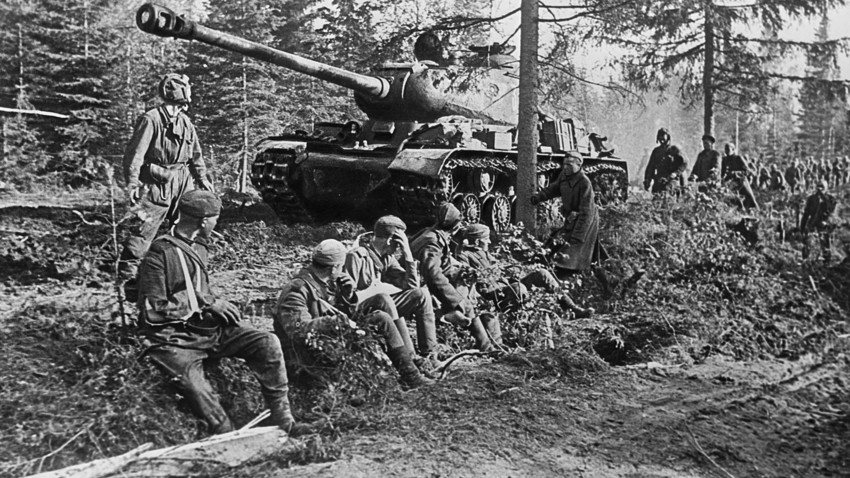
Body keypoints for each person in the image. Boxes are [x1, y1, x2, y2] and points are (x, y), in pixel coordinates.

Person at [136, 190, 310, 436]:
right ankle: (226, 437)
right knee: (198, 389)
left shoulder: (199, 246)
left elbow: (199, 291)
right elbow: (153, 308)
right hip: (173, 339)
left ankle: (284, 421)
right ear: (204, 221)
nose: (216, 223)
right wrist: (206, 304)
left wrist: (210, 303)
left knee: (267, 342)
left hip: (207, 330)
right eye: (215, 218)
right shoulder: (159, 253)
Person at [273, 239, 431, 389]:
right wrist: (333, 321)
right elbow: (297, 331)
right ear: (334, 267)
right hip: (306, 355)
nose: (342, 270)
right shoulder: (297, 290)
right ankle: (404, 375)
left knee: (381, 318)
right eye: (341, 266)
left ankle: (410, 374)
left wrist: (348, 296)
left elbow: (336, 311)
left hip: (328, 340)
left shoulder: (326, 282)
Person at [120, 73, 213, 282]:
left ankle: (186, 277)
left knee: (192, 229)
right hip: (157, 183)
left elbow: (195, 153)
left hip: (183, 183)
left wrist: (202, 178)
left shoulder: (185, 122)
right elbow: (135, 155)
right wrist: (133, 183)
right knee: (141, 235)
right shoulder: (151, 119)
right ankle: (127, 282)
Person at [343, 215, 439, 367]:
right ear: (389, 241)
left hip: (383, 307)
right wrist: (373, 290)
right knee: (383, 297)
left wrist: (408, 254)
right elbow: (347, 298)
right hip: (360, 310)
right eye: (398, 244)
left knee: (421, 294)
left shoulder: (387, 258)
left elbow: (412, 286)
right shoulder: (356, 256)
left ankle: (430, 355)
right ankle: (410, 357)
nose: (397, 249)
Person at [410, 203, 502, 352]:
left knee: (466, 289)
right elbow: (432, 274)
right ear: (454, 227)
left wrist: (460, 268)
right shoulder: (432, 242)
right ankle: (484, 344)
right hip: (417, 284)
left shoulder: (429, 233)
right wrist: (455, 300)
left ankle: (488, 345)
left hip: (420, 279)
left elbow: (443, 261)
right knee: (465, 300)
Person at [457, 224, 594, 318]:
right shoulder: (464, 256)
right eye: (485, 239)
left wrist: (512, 270)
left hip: (505, 285)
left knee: (542, 274)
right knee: (519, 288)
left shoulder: (485, 253)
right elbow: (467, 279)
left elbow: (501, 268)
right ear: (476, 242)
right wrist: (481, 276)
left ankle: (572, 308)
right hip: (492, 294)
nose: (488, 242)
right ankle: (519, 323)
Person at [531, 151, 605, 273]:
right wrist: (539, 196)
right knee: (565, 244)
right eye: (564, 164)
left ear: (578, 166)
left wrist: (578, 235)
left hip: (586, 219)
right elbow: (554, 189)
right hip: (572, 217)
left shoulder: (584, 182)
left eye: (569, 165)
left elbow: (587, 212)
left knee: (576, 247)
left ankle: (570, 272)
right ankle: (596, 271)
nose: (565, 167)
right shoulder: (564, 176)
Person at [800, 180, 837, 263]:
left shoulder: (830, 199)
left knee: (824, 240)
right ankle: (805, 259)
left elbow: (831, 211)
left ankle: (826, 260)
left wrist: (823, 198)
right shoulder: (812, 198)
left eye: (822, 187)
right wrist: (802, 226)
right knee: (808, 240)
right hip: (813, 221)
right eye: (818, 187)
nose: (819, 189)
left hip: (824, 221)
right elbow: (806, 213)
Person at [643, 128, 687, 195]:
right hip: (659, 180)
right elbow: (651, 167)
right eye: (660, 137)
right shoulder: (656, 151)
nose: (661, 140)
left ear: (668, 137)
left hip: (671, 180)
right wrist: (647, 179)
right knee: (657, 200)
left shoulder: (674, 149)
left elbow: (684, 163)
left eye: (663, 137)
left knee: (669, 199)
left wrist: (676, 173)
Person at [721, 142, 759, 210]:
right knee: (732, 199)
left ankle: (754, 212)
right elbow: (722, 172)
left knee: (749, 200)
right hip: (730, 183)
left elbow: (746, 171)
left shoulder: (738, 158)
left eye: (728, 149)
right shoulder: (724, 160)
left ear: (733, 149)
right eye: (725, 149)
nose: (726, 151)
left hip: (741, 182)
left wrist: (735, 173)